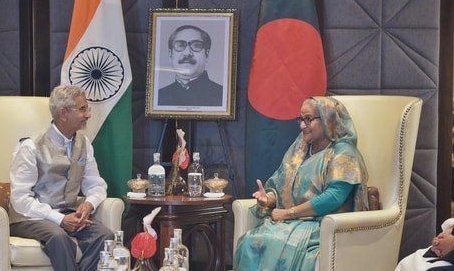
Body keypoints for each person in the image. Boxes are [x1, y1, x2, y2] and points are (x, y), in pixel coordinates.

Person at [234, 96, 369, 270]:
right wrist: (268, 199)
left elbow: (333, 197)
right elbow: (283, 187)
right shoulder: (300, 152)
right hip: (292, 223)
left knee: (275, 244)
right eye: (300, 119)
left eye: (308, 119)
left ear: (328, 119)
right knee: (249, 242)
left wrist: (287, 213)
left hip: (322, 227)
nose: (302, 126)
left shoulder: (344, 152)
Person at [8, 85, 114, 271]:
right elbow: (20, 200)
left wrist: (89, 204)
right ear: (63, 113)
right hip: (29, 218)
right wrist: (59, 219)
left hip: (68, 213)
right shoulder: (30, 147)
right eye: (82, 109)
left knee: (105, 236)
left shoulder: (84, 143)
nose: (88, 114)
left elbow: (96, 185)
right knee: (59, 237)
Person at [157, 24, 223, 106]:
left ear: (207, 54)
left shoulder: (223, 96)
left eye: (196, 45)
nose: (187, 53)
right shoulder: (158, 97)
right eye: (180, 45)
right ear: (170, 54)